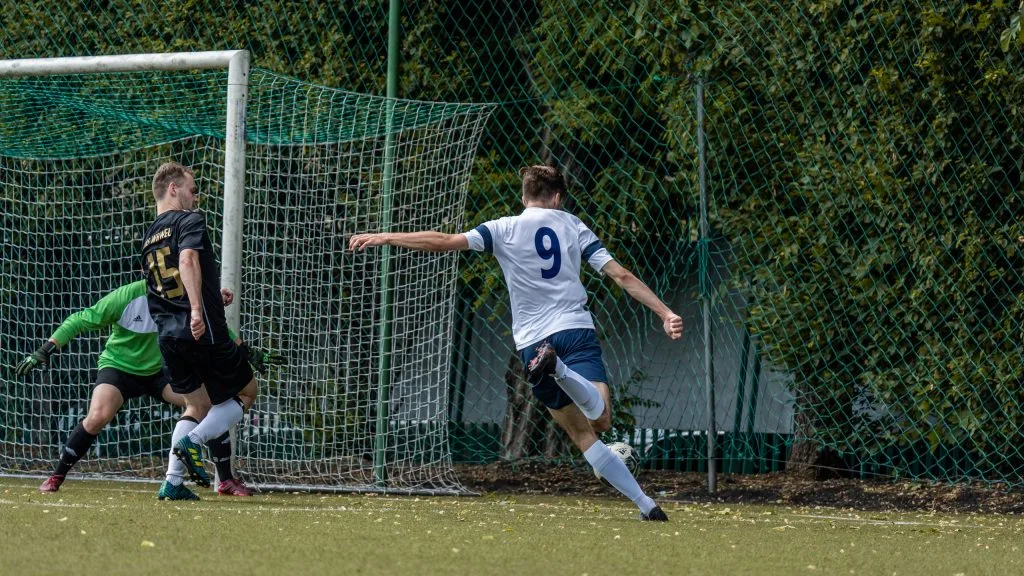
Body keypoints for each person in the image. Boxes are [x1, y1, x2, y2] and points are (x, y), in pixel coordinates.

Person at [349, 165, 683, 521]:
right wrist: (664, 313)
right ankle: (645, 504)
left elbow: (445, 241)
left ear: (524, 198)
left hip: (534, 343)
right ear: (557, 197)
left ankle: (646, 505)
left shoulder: (503, 227)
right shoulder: (573, 225)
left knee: (582, 433)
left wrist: (386, 236)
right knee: (599, 420)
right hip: (575, 330)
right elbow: (622, 275)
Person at [15, 279, 281, 499]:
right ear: (148, 270)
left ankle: (224, 481)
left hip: (160, 372)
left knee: (212, 404)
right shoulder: (126, 296)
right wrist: (45, 350)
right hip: (119, 368)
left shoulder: (182, 296)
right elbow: (79, 320)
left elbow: (213, 323)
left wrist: (246, 351)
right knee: (97, 416)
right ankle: (56, 476)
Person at [141, 161, 262, 500]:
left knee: (196, 406)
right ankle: (191, 443)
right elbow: (188, 261)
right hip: (200, 330)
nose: (196, 197)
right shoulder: (188, 220)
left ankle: (172, 482)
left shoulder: (150, 235)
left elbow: (165, 284)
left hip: (167, 334)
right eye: (193, 190)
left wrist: (209, 293)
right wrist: (198, 309)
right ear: (173, 188)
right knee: (248, 391)